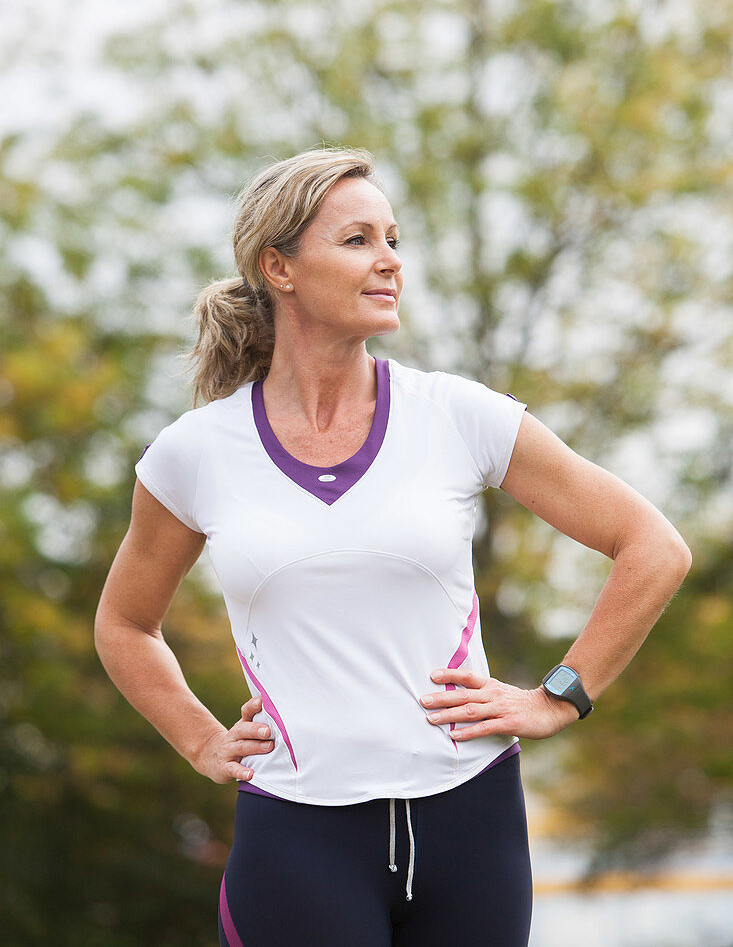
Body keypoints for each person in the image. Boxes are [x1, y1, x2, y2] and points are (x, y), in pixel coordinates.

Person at [94, 145, 692, 947]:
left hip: (471, 820)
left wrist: (556, 696)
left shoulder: (458, 415)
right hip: (297, 836)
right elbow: (126, 624)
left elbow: (651, 546)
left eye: (393, 239)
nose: (390, 263)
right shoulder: (192, 453)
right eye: (358, 241)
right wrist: (200, 738)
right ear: (279, 267)